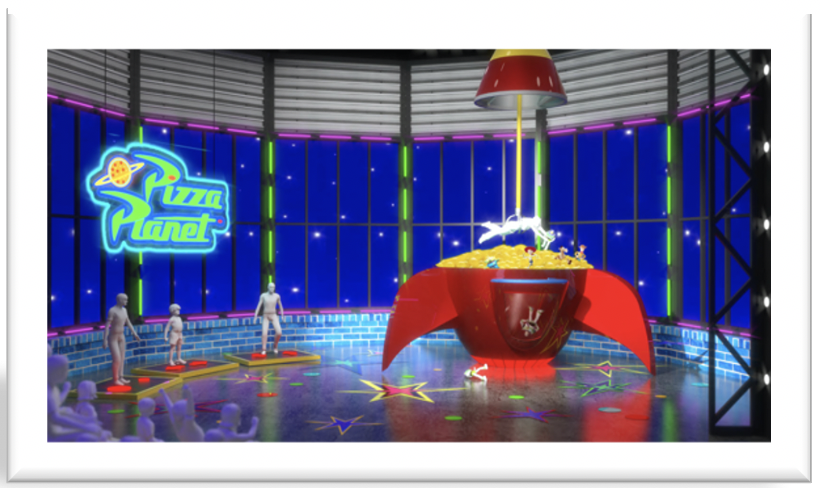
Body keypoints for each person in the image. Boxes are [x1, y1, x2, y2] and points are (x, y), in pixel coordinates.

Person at [103, 293, 141, 386]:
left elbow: (128, 322)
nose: (126, 301)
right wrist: (105, 340)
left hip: (121, 336)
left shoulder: (124, 310)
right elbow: (107, 326)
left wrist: (134, 333)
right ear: (119, 300)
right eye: (125, 299)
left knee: (122, 358)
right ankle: (115, 379)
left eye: (127, 299)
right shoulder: (112, 311)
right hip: (113, 337)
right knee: (117, 359)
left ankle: (121, 376)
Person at [253, 283, 284, 355]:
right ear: (268, 287)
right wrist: (255, 316)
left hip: (273, 315)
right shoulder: (263, 295)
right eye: (270, 287)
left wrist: (282, 315)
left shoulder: (277, 296)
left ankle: (275, 345)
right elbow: (258, 306)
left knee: (279, 332)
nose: (272, 288)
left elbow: (281, 306)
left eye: (273, 287)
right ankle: (264, 348)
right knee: (264, 333)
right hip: (266, 315)